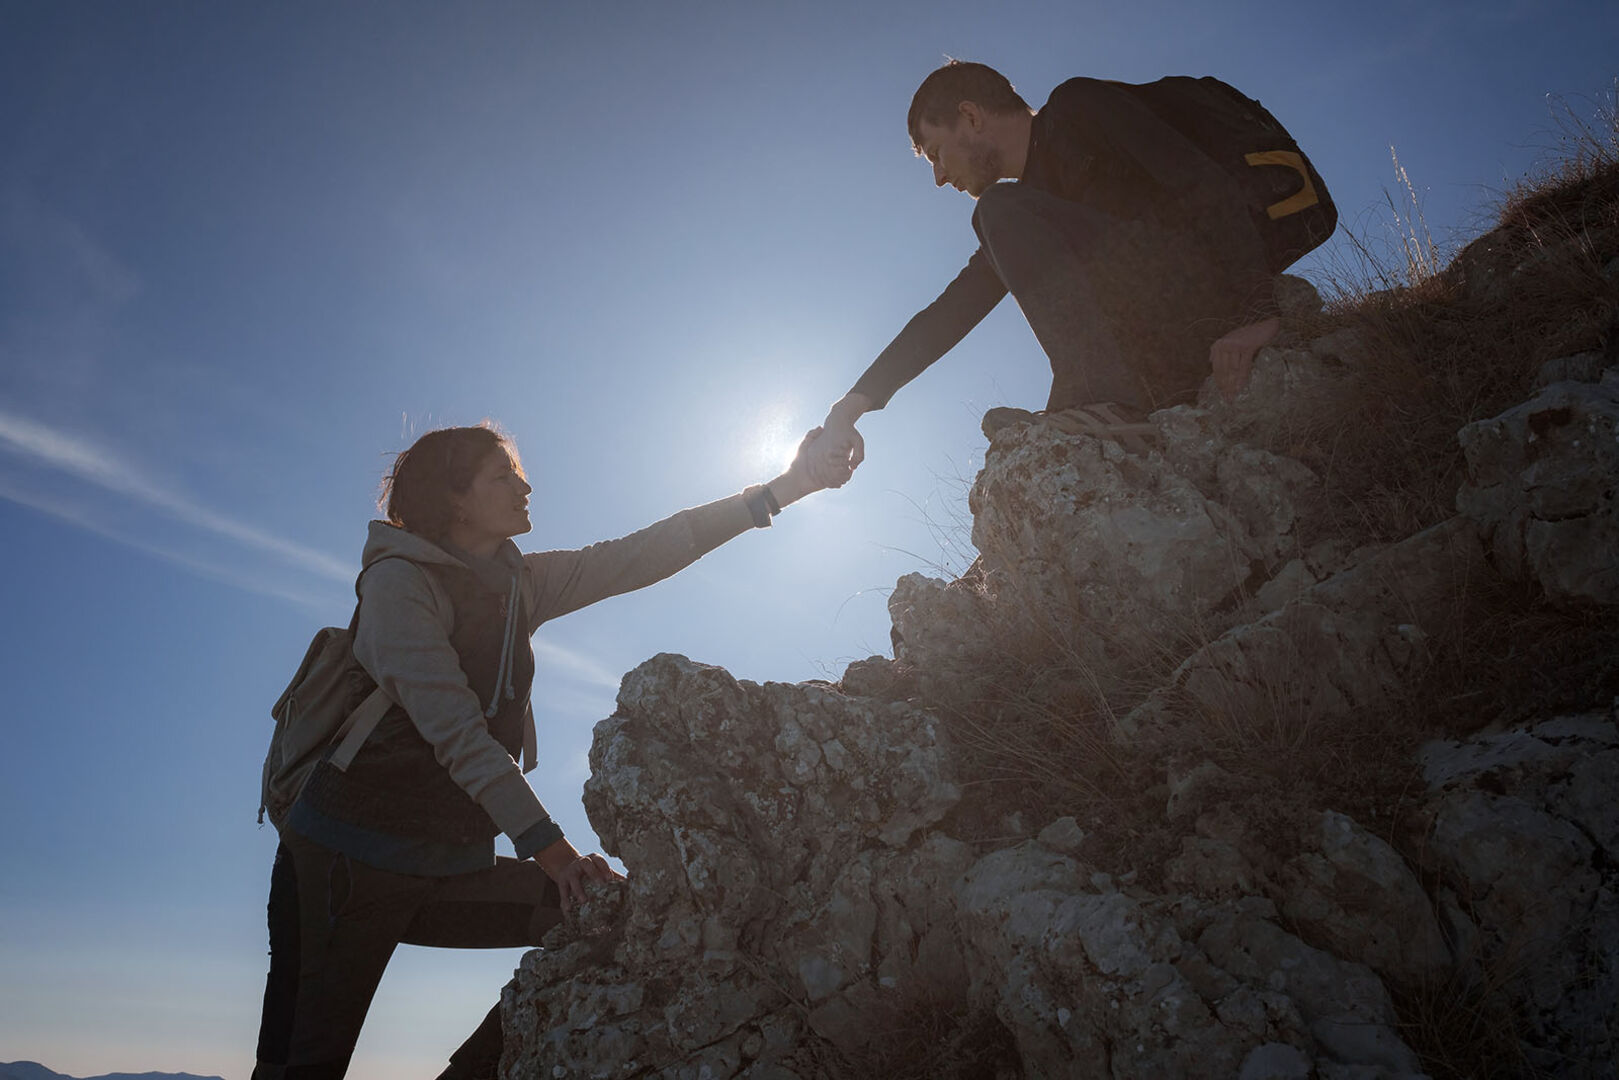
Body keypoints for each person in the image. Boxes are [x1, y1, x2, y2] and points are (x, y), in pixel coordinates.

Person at [252, 422, 830, 1080]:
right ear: (456, 498)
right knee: (298, 1070)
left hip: (444, 866)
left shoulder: (519, 584)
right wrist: (552, 852)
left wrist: (784, 488)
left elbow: (639, 554)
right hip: (339, 868)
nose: (524, 485)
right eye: (503, 475)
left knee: (600, 916)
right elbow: (458, 733)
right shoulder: (397, 586)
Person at [808, 60, 1326, 486]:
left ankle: (1102, 402)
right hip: (1176, 334)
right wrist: (848, 409)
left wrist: (1259, 313)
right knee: (998, 216)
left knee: (996, 210)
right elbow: (949, 313)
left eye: (937, 154)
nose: (941, 178)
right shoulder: (1029, 213)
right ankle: (1111, 401)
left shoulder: (1079, 108)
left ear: (970, 116)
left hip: (1215, 287)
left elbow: (1201, 184)